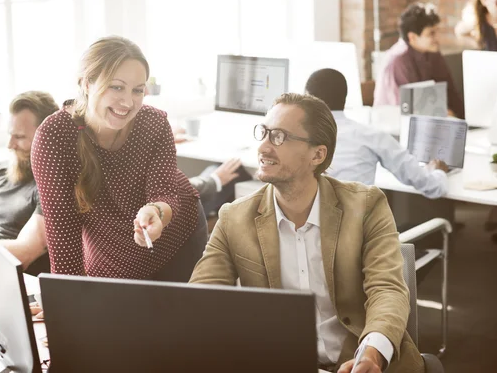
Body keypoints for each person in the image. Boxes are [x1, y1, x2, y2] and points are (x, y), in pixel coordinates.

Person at [189, 93, 424, 373]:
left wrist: (372, 354)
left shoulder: (366, 205)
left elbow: (387, 289)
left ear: (318, 154)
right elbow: (201, 298)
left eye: (279, 137)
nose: (263, 147)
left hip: (362, 360)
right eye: (263, 133)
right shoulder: (234, 218)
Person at [31, 36, 205, 281]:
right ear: (87, 83)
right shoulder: (54, 136)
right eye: (116, 86)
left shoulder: (153, 122)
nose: (128, 102)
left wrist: (155, 210)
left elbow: (165, 192)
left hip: (177, 239)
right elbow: (63, 234)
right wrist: (62, 301)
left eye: (137, 90)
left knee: (178, 318)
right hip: (111, 257)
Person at [307, 68, 448, 199]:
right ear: (345, 98)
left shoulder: (295, 139)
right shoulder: (370, 136)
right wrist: (438, 172)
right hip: (357, 224)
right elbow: (432, 186)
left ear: (308, 99)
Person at [0, 91, 58, 275]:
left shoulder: (52, 187)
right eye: (10, 135)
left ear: (46, 139)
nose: (10, 145)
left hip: (5, 276)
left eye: (20, 137)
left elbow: (24, 253)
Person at [374, 2, 465, 118]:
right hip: (396, 127)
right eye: (431, 33)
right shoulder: (399, 60)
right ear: (412, 37)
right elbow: (409, 110)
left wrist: (464, 121)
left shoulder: (433, 53)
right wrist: (446, 115)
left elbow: (451, 93)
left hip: (431, 122)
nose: (438, 37)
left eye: (437, 31)